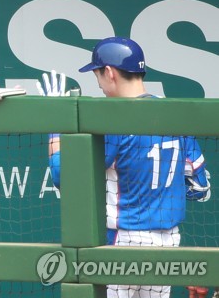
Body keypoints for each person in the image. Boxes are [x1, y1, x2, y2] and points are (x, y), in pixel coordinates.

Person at [38, 37, 211, 298]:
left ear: (109, 72)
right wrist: (162, 193)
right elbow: (199, 187)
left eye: (97, 74)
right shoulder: (174, 114)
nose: (98, 83)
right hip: (169, 245)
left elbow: (66, 178)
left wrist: (54, 124)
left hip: (124, 244)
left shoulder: (114, 121)